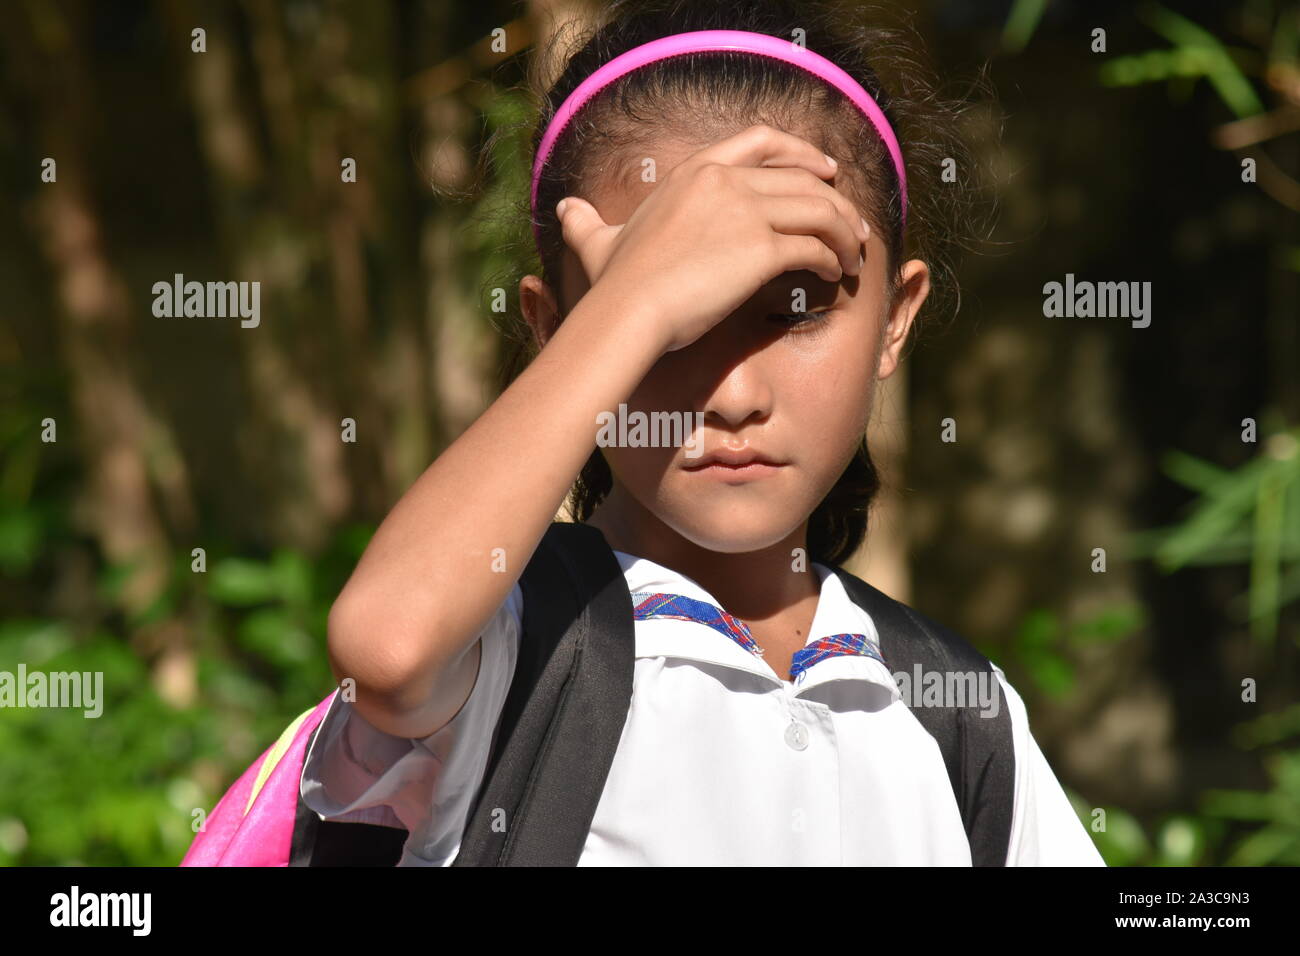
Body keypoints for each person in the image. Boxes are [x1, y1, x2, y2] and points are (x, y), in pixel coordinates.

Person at [307, 0, 1106, 866]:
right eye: (677, 328)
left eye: (792, 311)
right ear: (560, 333)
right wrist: (636, 303)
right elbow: (386, 650)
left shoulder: (957, 715)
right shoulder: (507, 641)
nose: (734, 395)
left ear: (894, 323)